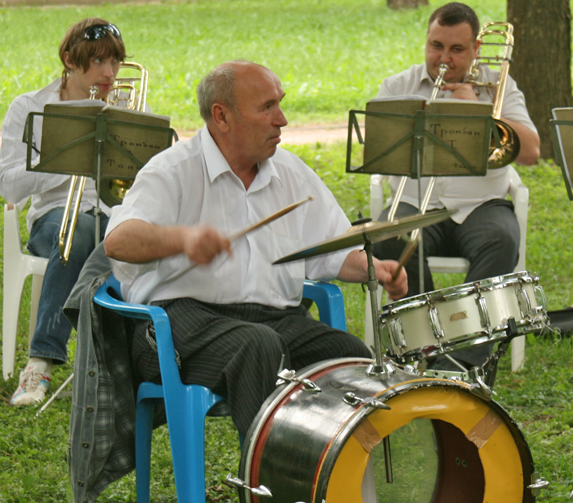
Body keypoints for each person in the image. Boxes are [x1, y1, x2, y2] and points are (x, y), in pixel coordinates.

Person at [103, 61, 407, 438]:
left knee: (350, 358)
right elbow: (119, 241)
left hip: (276, 319)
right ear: (222, 117)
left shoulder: (291, 173)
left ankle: (334, 478)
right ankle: (268, 489)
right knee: (259, 347)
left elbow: (331, 249)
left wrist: (373, 267)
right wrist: (182, 239)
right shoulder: (172, 170)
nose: (281, 119)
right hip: (182, 323)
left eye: (279, 104)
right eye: (266, 108)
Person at [372, 2, 540, 371]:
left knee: (503, 240)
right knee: (391, 239)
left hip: (481, 204)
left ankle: (464, 365)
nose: (443, 58)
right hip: (416, 202)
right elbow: (381, 151)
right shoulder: (398, 86)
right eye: (436, 46)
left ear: (476, 50)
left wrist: (485, 117)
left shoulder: (498, 86)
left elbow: (531, 152)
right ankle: (421, 351)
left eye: (457, 49)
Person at [0, 18, 129, 406]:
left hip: (115, 214)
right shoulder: (30, 108)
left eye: (116, 62)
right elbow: (8, 185)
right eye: (98, 62)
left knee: (136, 240)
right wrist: (64, 160)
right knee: (78, 232)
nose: (109, 73)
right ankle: (40, 363)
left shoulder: (125, 107)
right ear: (70, 60)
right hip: (55, 215)